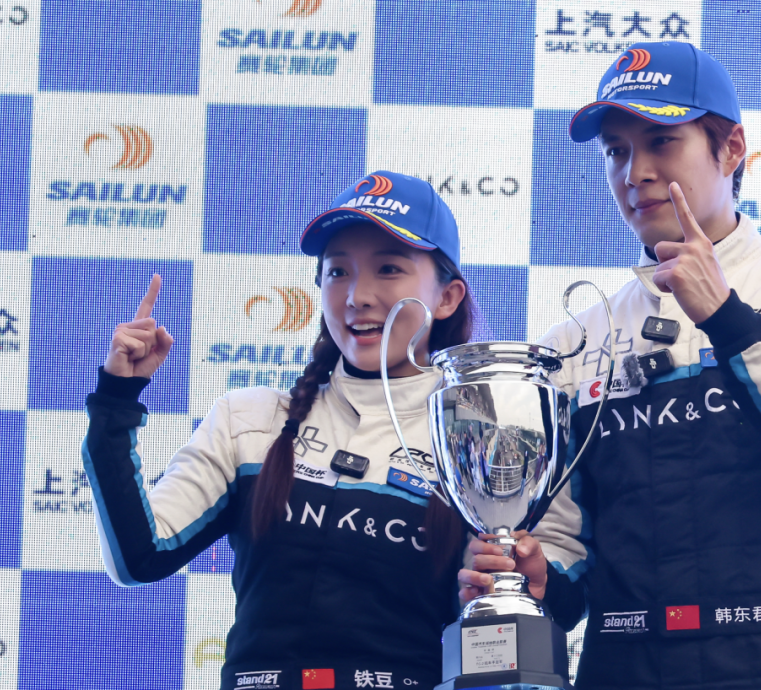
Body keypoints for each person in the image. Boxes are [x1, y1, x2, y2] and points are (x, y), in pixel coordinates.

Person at [459, 42, 761, 690]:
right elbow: (567, 551)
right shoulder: (574, 341)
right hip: (622, 668)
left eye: (661, 142)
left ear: (732, 148)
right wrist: (537, 577)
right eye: (616, 151)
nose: (635, 172)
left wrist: (726, 316)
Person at [83, 171, 476, 690]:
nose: (358, 295)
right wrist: (116, 402)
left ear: (447, 297)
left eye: (388, 269)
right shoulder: (250, 419)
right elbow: (139, 557)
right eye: (338, 272)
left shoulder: (478, 446)